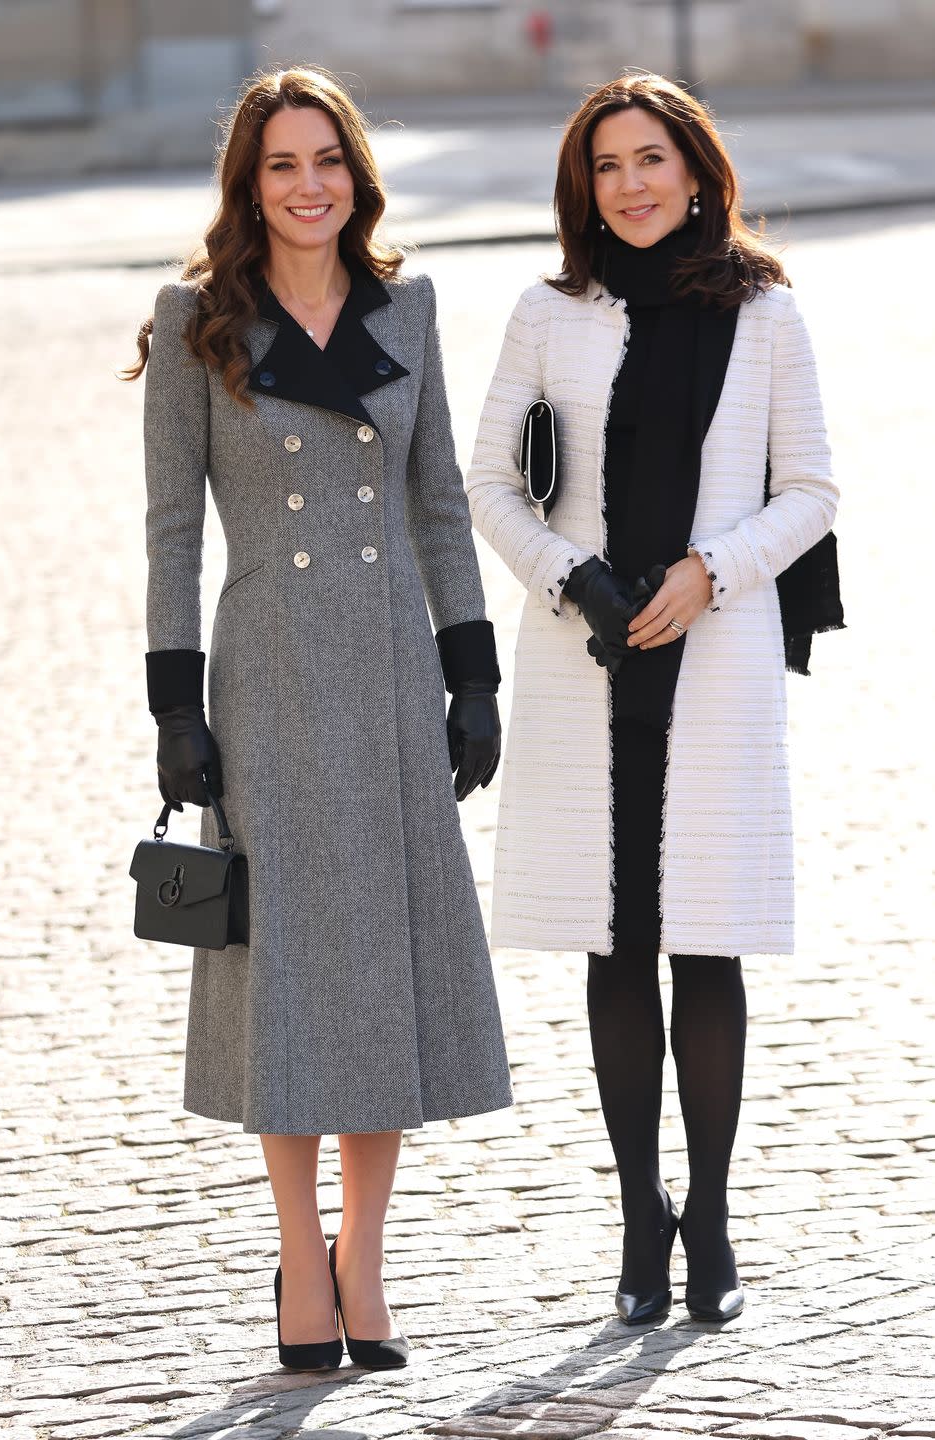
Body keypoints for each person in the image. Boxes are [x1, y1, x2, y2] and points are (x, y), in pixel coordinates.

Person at [123, 65, 512, 1372]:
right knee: (285, 972)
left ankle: (367, 1256)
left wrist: (473, 674)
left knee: (379, 968)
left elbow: (440, 504)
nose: (307, 186)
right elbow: (172, 530)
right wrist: (176, 707)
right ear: (249, 183)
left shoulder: (409, 306)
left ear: (356, 174)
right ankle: (300, 1253)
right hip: (268, 678)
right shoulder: (195, 320)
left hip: (391, 670)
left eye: (326, 160)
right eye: (281, 165)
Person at [467, 72, 840, 1325]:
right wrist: (570, 575)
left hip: (713, 652)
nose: (627, 184)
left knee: (706, 940)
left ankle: (714, 1217)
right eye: (604, 165)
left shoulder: (766, 310)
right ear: (584, 186)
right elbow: (488, 486)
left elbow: (811, 493)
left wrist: (707, 572)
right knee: (612, 941)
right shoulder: (545, 310)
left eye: (648, 159)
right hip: (588, 661)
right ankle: (639, 1221)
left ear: (694, 170)